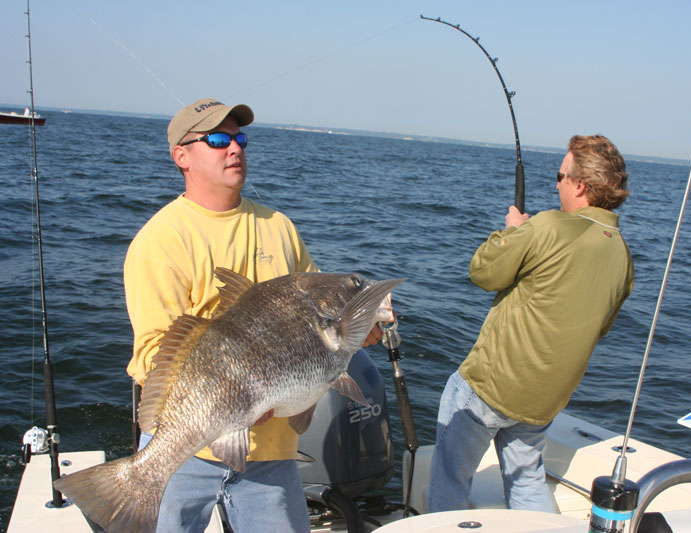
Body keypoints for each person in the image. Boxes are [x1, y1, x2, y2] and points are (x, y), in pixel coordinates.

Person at [124, 98, 381, 532]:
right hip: (186, 450)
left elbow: (321, 311)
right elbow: (153, 355)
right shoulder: (160, 240)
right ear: (181, 156)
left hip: (272, 452)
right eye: (218, 139)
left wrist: (362, 328)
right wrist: (229, 399)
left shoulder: (279, 226)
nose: (235, 148)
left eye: (239, 138)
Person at [427, 134, 634, 513]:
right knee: (526, 480)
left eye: (560, 175)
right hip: (544, 400)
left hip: (491, 385)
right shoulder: (621, 253)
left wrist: (514, 231)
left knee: (450, 478)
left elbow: (482, 270)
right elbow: (599, 326)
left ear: (580, 185)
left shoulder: (546, 227)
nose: (555, 184)